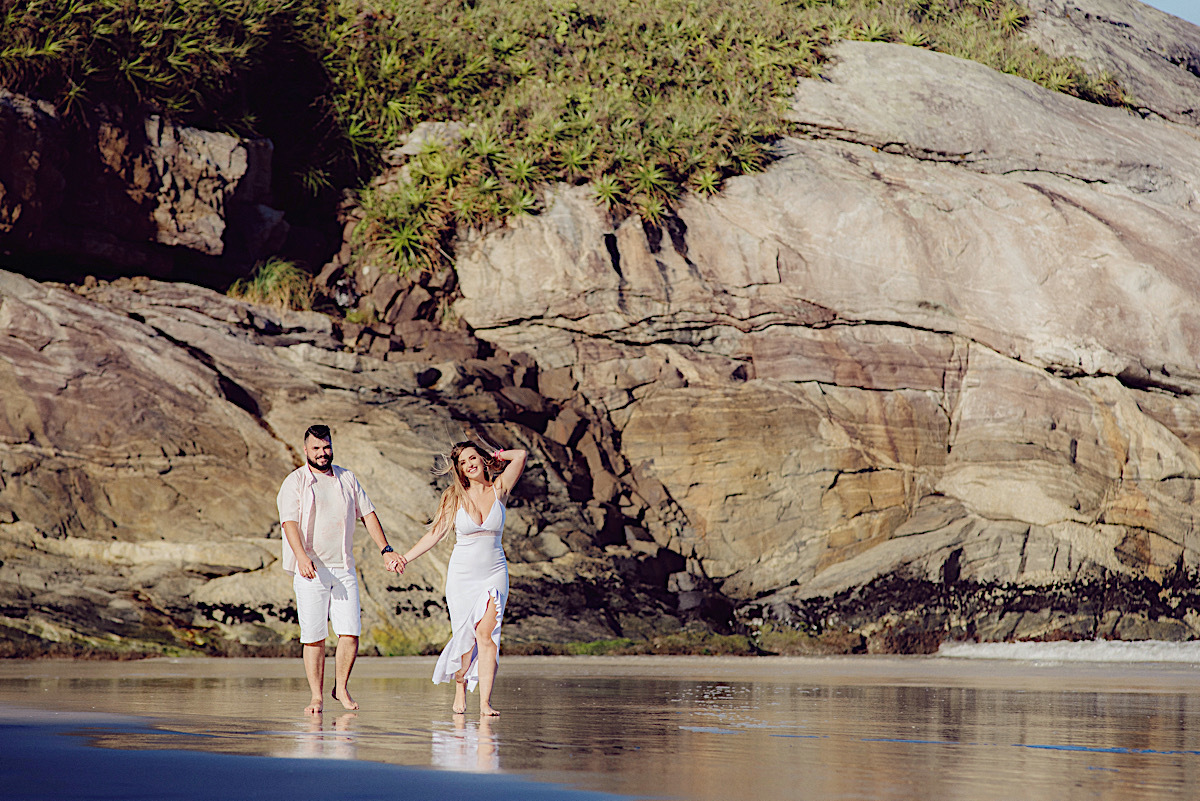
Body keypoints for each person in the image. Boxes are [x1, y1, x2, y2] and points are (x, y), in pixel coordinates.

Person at [277, 424, 405, 714]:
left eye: (326, 447)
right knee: (314, 636)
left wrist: (386, 549)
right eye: (317, 449)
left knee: (350, 633)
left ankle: (341, 688)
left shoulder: (347, 478)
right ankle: (316, 696)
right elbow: (289, 523)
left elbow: (368, 515)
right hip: (311, 568)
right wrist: (301, 557)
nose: (323, 453)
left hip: (343, 567)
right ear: (306, 450)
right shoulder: (295, 481)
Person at [401, 441, 527, 716]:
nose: (469, 464)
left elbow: (520, 455)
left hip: (494, 571)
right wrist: (406, 558)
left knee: (487, 634)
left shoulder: (500, 488)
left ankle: (485, 703)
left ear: (481, 459)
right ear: (459, 470)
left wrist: (494, 455)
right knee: (465, 637)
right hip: (462, 576)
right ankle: (460, 688)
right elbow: (434, 534)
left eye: (473, 458)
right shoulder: (454, 496)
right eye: (462, 463)